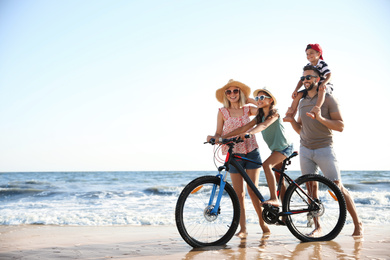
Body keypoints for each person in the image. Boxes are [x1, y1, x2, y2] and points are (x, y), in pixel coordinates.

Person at [287, 65, 363, 237]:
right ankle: (317, 226)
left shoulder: (328, 99)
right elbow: (301, 128)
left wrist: (320, 118)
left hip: (324, 148)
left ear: (317, 79)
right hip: (305, 149)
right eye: (303, 77)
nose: (305, 80)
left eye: (309, 77)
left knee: (338, 187)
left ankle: (358, 224)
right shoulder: (302, 101)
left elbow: (341, 126)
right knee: (310, 188)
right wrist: (291, 120)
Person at [207, 79, 270, 237]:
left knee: (252, 190)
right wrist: (213, 138)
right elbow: (219, 132)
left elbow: (265, 110)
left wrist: (249, 100)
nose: (232, 94)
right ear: (225, 95)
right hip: (234, 154)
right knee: (238, 193)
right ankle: (243, 229)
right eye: (229, 92)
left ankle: (264, 225)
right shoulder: (222, 112)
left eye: (236, 91)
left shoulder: (247, 109)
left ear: (240, 93)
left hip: (251, 151)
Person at [220, 87, 294, 208]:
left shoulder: (274, 113)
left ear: (270, 100)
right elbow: (243, 128)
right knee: (279, 180)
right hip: (275, 150)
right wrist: (223, 137)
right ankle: (285, 213)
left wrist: (251, 133)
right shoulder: (259, 116)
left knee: (266, 165)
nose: (258, 100)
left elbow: (264, 126)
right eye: (257, 98)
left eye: (262, 98)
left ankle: (274, 198)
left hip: (285, 148)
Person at [284, 43, 333, 121]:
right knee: (298, 95)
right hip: (313, 85)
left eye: (311, 53)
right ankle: (290, 114)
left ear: (319, 53)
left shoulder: (322, 64)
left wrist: (323, 84)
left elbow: (329, 75)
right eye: (307, 54)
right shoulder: (308, 65)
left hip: (324, 84)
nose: (309, 55)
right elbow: (302, 79)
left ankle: (315, 111)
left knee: (321, 91)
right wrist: (296, 90)